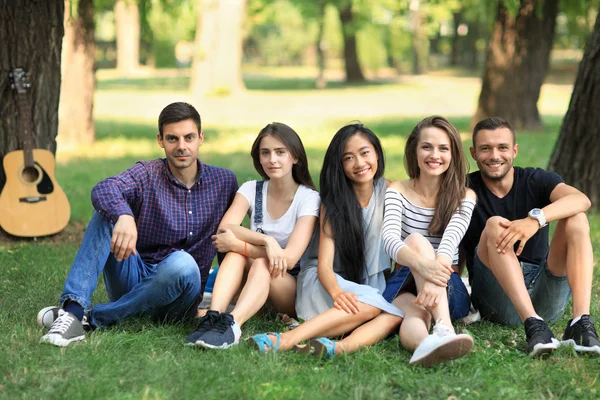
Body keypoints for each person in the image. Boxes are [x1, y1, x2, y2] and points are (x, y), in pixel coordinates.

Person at [37, 102, 238, 347]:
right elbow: (105, 188)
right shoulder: (148, 173)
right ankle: (73, 311)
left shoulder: (224, 182)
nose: (182, 146)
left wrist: (222, 305)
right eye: (173, 138)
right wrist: (124, 216)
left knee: (183, 262)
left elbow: (226, 246)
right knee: (107, 212)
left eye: (189, 137)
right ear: (160, 140)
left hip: (181, 295)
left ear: (201, 138)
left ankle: (92, 318)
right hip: (133, 278)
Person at [249, 123, 404, 359]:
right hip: (324, 282)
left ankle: (335, 348)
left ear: (377, 153)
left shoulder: (390, 191)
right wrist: (336, 293)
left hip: (367, 286)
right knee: (374, 305)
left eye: (365, 153)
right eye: (348, 158)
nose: (360, 163)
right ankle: (286, 340)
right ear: (339, 165)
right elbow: (323, 265)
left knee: (394, 314)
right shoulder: (332, 205)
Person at [462, 116, 600, 357]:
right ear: (474, 153)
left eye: (502, 147)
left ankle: (580, 322)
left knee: (577, 217)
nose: (495, 155)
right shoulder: (464, 189)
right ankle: (533, 325)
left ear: (514, 150)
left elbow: (582, 200)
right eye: (486, 148)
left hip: (544, 291)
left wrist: (535, 220)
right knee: (495, 225)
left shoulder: (536, 179)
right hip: (497, 298)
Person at [185, 122, 319, 349]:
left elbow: (288, 260)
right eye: (265, 153)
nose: (272, 160)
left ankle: (232, 326)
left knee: (258, 262)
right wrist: (267, 241)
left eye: (280, 152)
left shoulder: (308, 198)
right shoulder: (251, 189)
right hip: (255, 287)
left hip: (289, 287)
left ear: (295, 157)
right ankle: (214, 317)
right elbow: (225, 229)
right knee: (239, 257)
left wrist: (243, 246)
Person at [381, 116, 476, 367]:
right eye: (427, 147)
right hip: (404, 280)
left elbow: (449, 243)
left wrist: (434, 276)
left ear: (453, 154)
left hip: (449, 286)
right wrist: (423, 267)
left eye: (443, 148)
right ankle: (426, 346)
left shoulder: (465, 195)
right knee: (415, 312)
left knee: (415, 240)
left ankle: (444, 325)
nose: (435, 155)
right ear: (414, 151)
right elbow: (389, 239)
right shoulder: (398, 190)